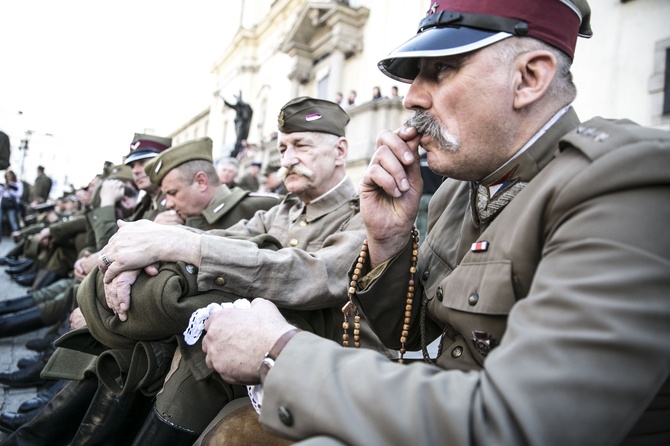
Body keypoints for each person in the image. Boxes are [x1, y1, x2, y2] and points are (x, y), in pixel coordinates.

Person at [198, 1, 670, 445]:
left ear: (529, 78)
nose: (412, 98)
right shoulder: (459, 192)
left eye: (440, 70)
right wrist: (389, 242)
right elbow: (418, 342)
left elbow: (525, 424)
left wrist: (280, 351)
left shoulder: (622, 180)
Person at [89, 97, 389, 444]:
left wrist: (175, 244)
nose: (288, 159)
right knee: (167, 346)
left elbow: (317, 276)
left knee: (200, 352)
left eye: (301, 146)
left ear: (340, 151)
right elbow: (218, 237)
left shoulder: (367, 213)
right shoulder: (280, 213)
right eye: (282, 148)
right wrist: (145, 249)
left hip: (326, 366)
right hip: (258, 354)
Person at [223, 93, 253, 158]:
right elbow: (231, 106)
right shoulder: (237, 107)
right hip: (238, 122)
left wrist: (238, 98)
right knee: (238, 136)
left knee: (240, 135)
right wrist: (224, 100)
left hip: (241, 123)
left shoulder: (245, 107)